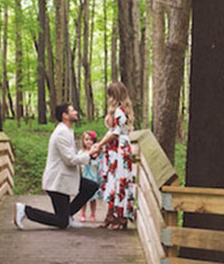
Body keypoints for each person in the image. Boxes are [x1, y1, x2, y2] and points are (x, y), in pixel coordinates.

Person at [14, 103, 102, 229]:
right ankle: (26, 210)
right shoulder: (61, 133)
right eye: (73, 110)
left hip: (66, 179)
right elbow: (70, 160)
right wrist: (89, 153)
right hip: (57, 182)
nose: (76, 112)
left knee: (90, 186)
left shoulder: (67, 131)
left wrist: (90, 155)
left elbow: (71, 156)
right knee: (62, 222)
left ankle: (68, 215)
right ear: (65, 116)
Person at [96, 82, 136, 230]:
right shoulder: (116, 111)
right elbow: (111, 131)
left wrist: (99, 145)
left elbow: (116, 132)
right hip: (113, 150)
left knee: (119, 183)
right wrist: (100, 145)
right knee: (112, 183)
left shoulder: (120, 111)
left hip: (120, 150)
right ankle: (111, 215)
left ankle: (120, 217)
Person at [77, 130, 102, 222]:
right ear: (83, 141)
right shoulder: (81, 152)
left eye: (91, 140)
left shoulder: (97, 153)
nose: (88, 142)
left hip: (93, 176)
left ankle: (93, 214)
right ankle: (82, 214)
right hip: (84, 176)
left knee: (93, 198)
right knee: (83, 197)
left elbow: (98, 164)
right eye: (86, 139)